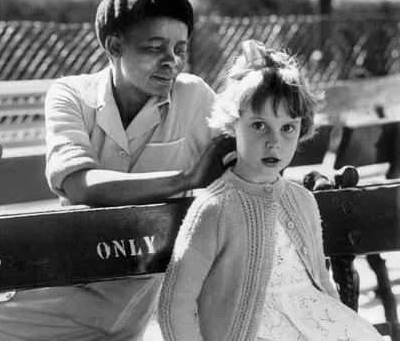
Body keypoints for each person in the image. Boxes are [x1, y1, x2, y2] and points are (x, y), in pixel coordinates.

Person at [0, 0, 234, 341]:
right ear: (114, 45)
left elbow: (247, 150)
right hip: (59, 282)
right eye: (155, 47)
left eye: (180, 49)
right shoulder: (70, 95)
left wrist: (263, 85)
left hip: (129, 304)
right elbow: (81, 186)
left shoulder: (193, 97)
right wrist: (185, 178)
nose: (172, 61)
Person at [157, 39, 384, 341]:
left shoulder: (302, 200)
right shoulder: (214, 209)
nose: (274, 141)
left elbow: (322, 284)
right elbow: (176, 304)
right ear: (233, 124)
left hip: (314, 325)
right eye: (259, 125)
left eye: (287, 128)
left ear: (301, 129)